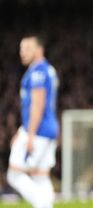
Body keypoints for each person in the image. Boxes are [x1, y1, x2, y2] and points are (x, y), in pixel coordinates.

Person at [7, 36, 59, 208]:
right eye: (21, 49)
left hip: (38, 131)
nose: (22, 52)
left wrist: (29, 134)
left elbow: (38, 105)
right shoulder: (48, 69)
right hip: (48, 129)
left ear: (39, 49)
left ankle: (42, 205)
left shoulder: (37, 72)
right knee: (40, 176)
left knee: (14, 175)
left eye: (27, 48)